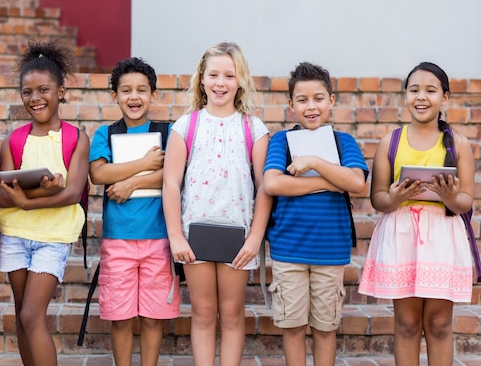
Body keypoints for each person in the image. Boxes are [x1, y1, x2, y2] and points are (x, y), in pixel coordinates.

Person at [163, 42, 272, 366]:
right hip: (194, 236)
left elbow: (264, 187)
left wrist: (254, 238)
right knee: (203, 312)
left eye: (229, 75)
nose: (220, 82)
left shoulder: (254, 128)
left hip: (237, 237)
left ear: (240, 81)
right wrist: (175, 237)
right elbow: (171, 183)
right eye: (213, 74)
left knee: (232, 314)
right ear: (201, 78)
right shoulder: (186, 126)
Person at [359, 62, 474, 366]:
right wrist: (395, 196)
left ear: (444, 98)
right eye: (414, 90)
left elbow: (466, 201)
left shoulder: (459, 144)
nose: (421, 97)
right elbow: (378, 199)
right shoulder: (391, 141)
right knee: (407, 325)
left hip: (442, 236)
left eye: (430, 90)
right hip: (402, 236)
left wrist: (450, 196)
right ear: (405, 96)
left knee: (438, 325)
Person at [263, 62, 368, 366]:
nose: (311, 106)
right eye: (303, 100)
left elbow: (357, 182)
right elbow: (273, 183)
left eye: (319, 98)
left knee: (325, 328)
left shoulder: (342, 141)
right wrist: (329, 182)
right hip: (288, 250)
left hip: (330, 251)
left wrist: (314, 163)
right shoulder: (282, 141)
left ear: (331, 101)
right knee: (293, 326)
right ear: (291, 105)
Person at [0, 40, 89, 366]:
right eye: (27, 92)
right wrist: (42, 194)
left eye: (43, 90)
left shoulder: (76, 138)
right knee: (23, 315)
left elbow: (73, 193)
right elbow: (2, 195)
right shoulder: (14, 139)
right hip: (16, 235)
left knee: (34, 314)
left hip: (54, 236)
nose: (35, 98)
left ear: (61, 91)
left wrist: (27, 201)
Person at [88, 57, 180, 366]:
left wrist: (131, 183)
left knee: (154, 318)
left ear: (154, 94)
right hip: (119, 241)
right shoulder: (107, 134)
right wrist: (146, 163)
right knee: (122, 317)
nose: (134, 97)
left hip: (159, 240)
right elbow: (99, 174)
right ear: (114, 96)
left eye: (142, 90)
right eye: (126, 90)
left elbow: (175, 175)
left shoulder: (168, 132)